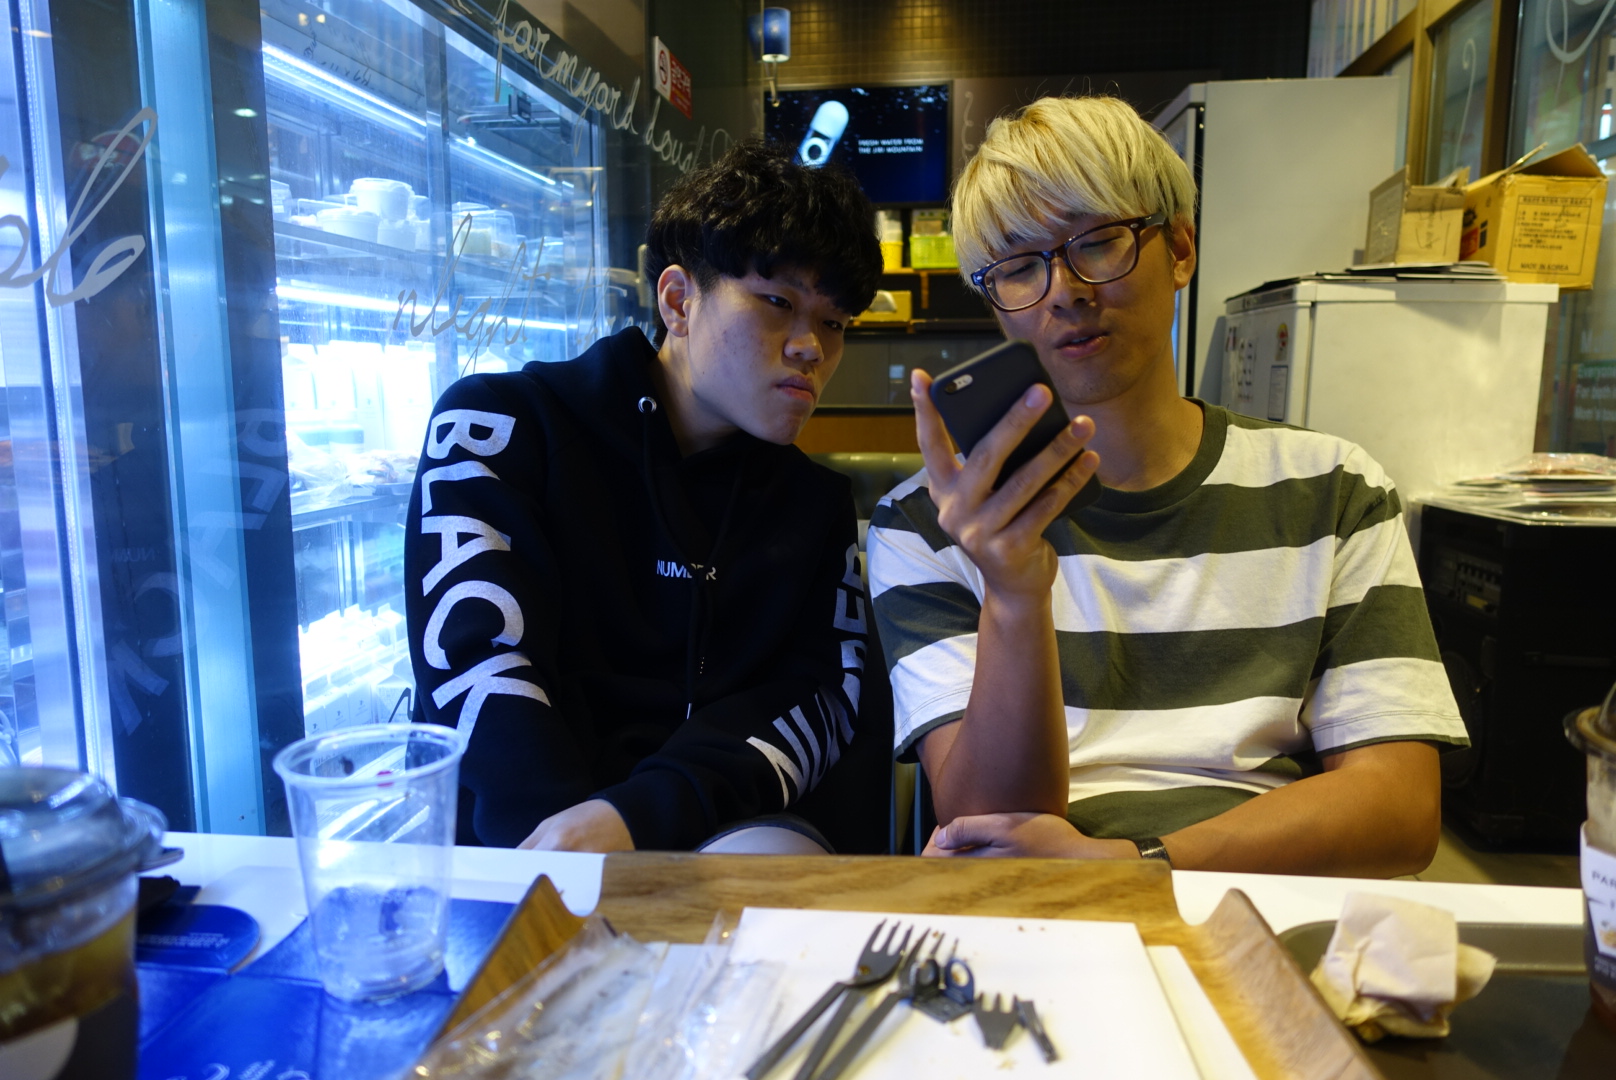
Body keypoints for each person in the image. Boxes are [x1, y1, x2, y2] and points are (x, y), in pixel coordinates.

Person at [866, 96, 1466, 876]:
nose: (1064, 290)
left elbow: (1401, 809)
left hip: (1267, 900)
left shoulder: (1334, 489)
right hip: (1045, 914)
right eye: (1018, 267)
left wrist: (1139, 861)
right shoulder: (928, 524)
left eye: (1097, 242)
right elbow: (988, 826)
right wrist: (1013, 594)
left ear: (1179, 250)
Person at [406, 141, 885, 854]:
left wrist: (635, 817)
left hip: (718, 840)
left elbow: (821, 696)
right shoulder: (499, 426)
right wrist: (561, 844)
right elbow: (475, 649)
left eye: (834, 322)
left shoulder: (812, 505)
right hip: (512, 850)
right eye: (778, 303)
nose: (811, 347)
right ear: (679, 301)